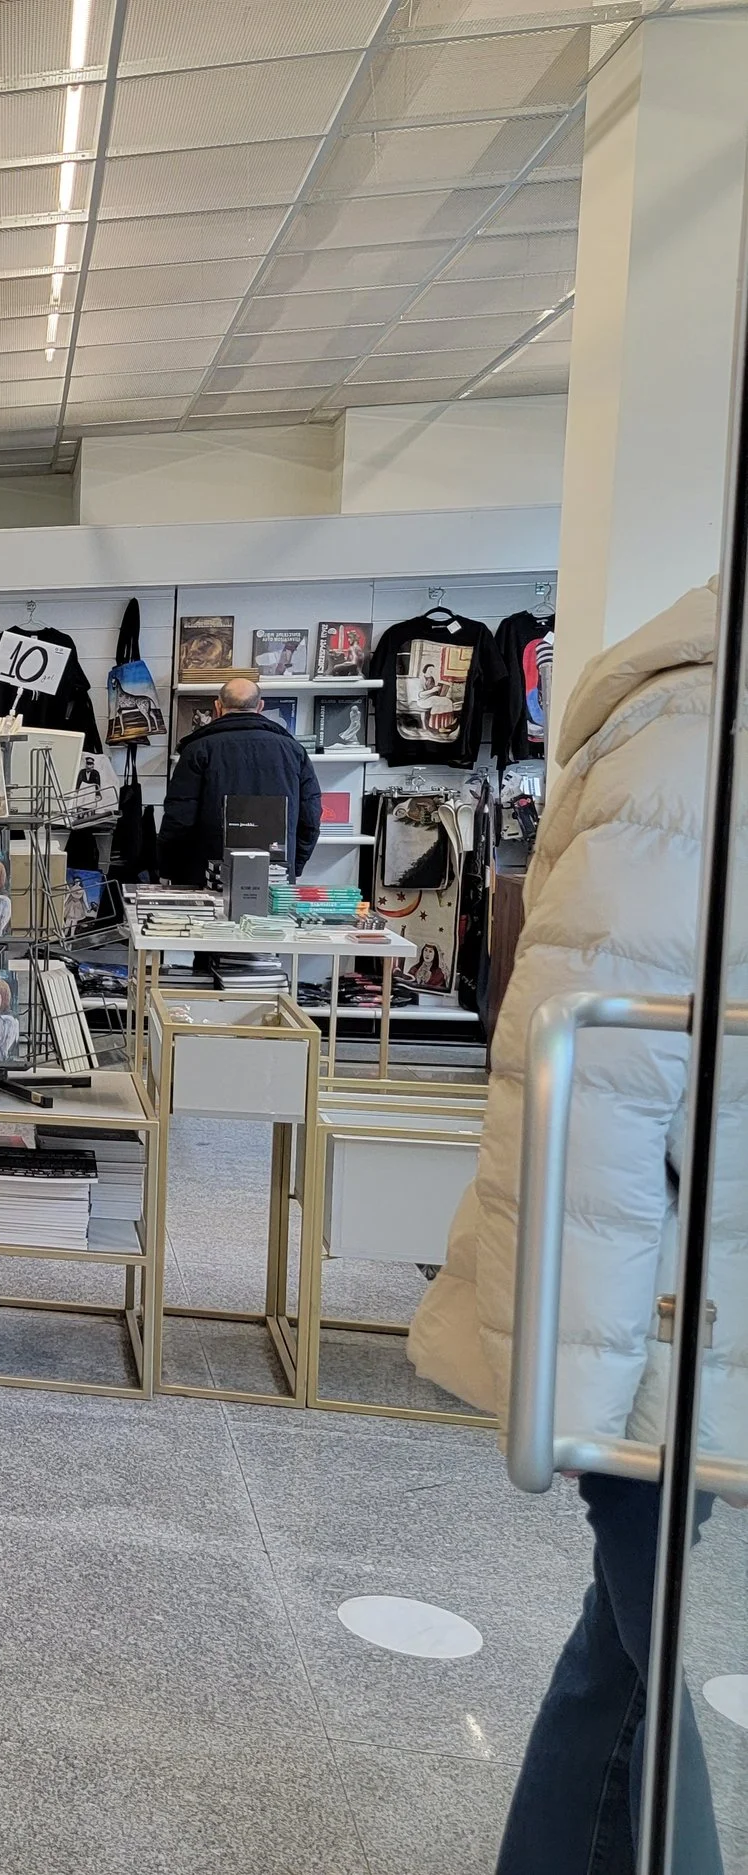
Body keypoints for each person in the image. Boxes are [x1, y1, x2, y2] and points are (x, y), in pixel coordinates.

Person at [408, 581, 739, 1875]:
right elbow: (594, 1073)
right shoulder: (693, 725)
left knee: (636, 1651)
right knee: (658, 1649)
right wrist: (578, 1405)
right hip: (669, 1305)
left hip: (667, 1298)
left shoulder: (669, 717)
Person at [158, 676, 319, 884]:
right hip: (275, 870)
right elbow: (311, 817)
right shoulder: (293, 750)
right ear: (260, 706)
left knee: (208, 917)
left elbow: (179, 817)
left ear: (218, 706)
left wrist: (168, 869)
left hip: (206, 872)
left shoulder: (198, 749)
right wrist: (294, 866)